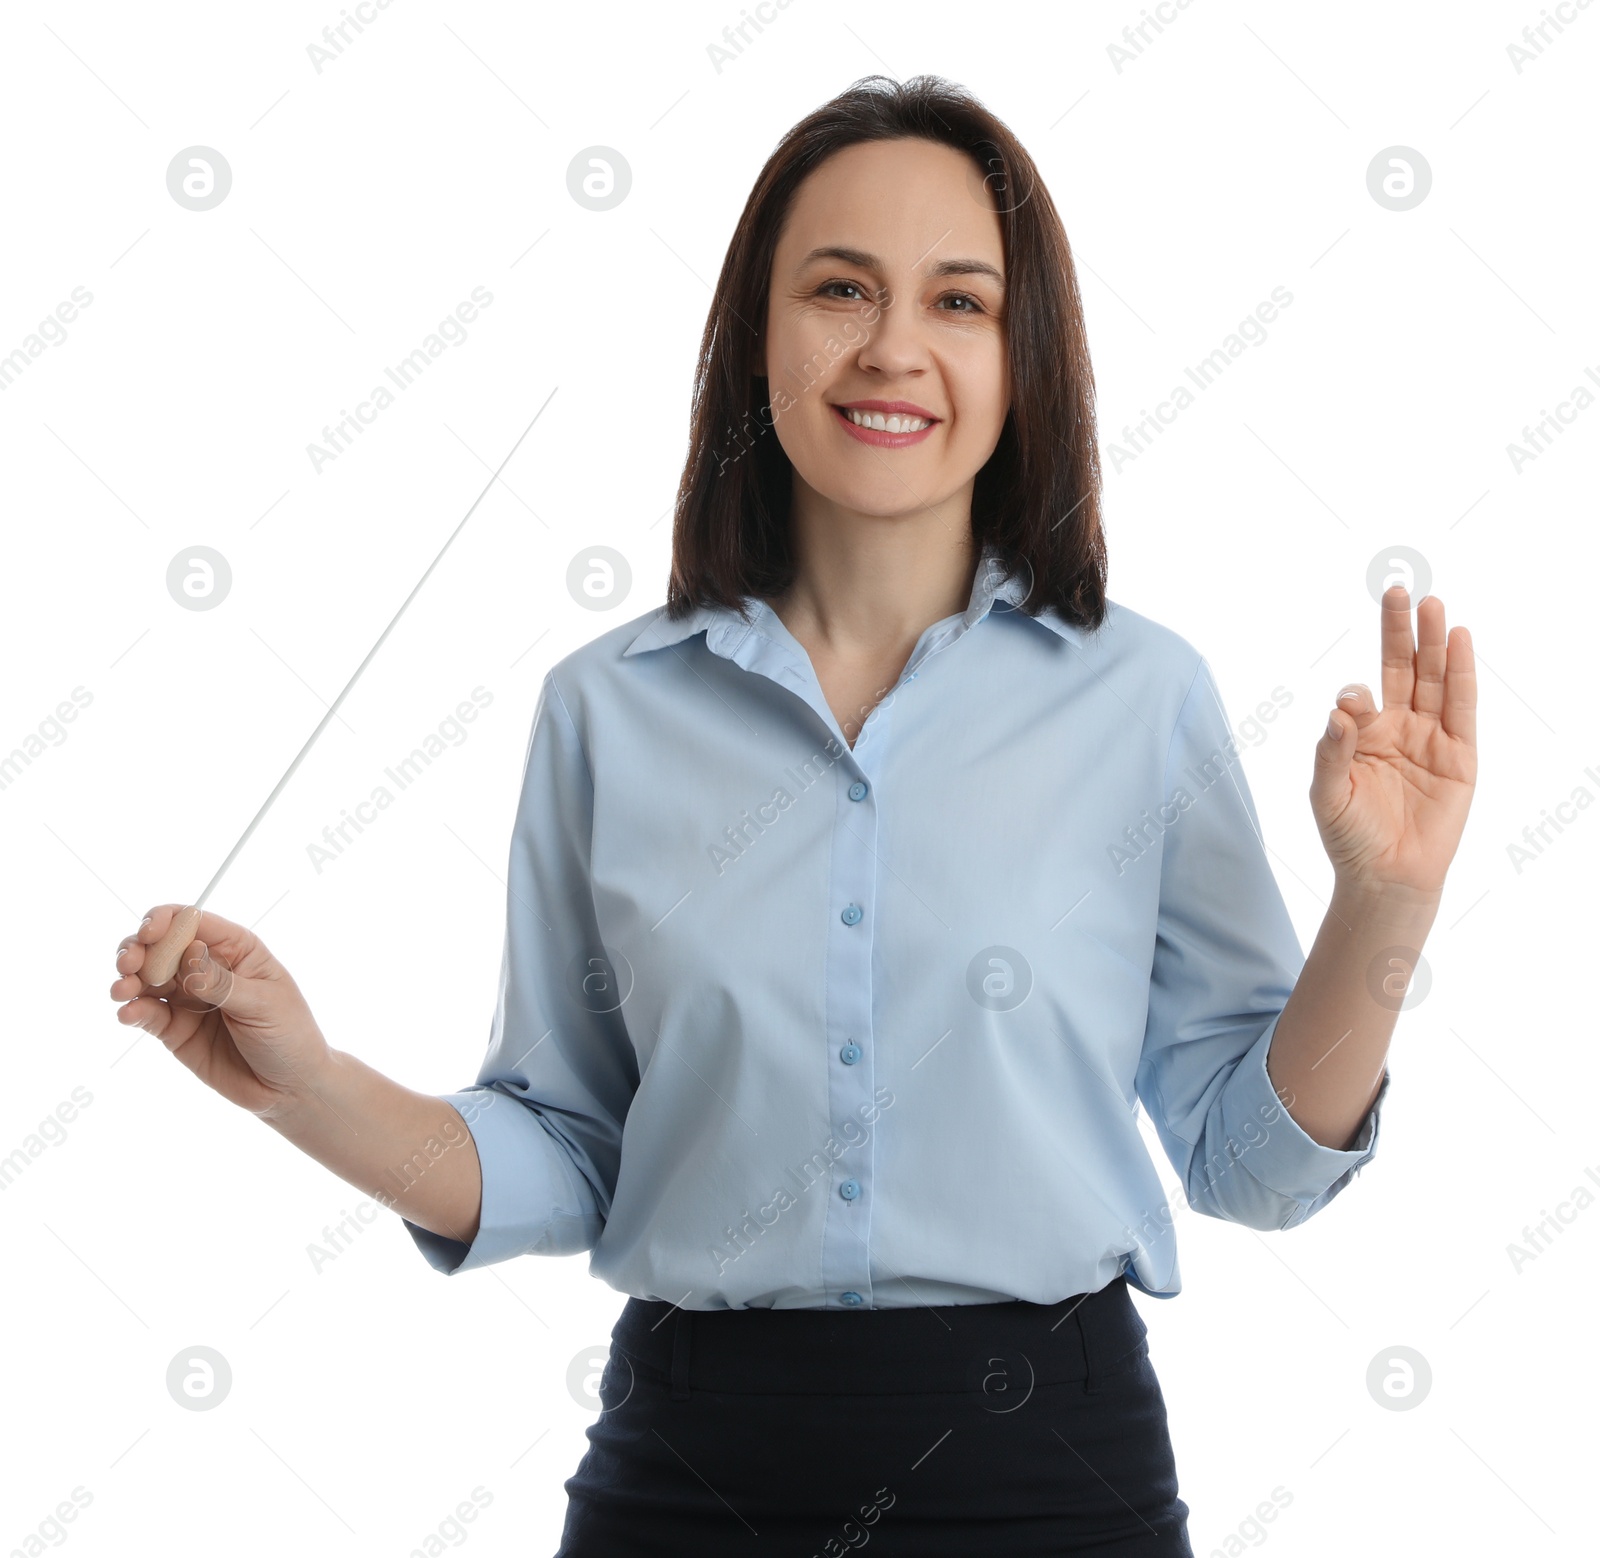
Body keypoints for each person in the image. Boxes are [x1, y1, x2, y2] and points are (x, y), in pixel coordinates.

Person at [111, 75, 1477, 1558]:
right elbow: (572, 1146)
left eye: (959, 300)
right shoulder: (605, 709)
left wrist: (1385, 904)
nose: (895, 346)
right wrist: (300, 1081)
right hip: (689, 1472)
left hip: (1048, 1474)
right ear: (755, 333)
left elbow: (1250, 1164)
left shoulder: (1142, 698)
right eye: (841, 288)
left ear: (1023, 356)